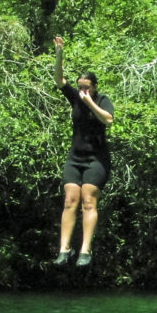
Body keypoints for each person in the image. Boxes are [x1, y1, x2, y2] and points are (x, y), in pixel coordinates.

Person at [52, 36, 113, 267]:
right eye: (80, 86)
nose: (82, 90)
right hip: (75, 158)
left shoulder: (102, 100)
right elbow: (59, 79)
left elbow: (108, 120)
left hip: (96, 160)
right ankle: (63, 249)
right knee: (70, 200)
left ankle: (85, 250)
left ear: (94, 86)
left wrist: (90, 103)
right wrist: (59, 53)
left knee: (88, 201)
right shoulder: (75, 98)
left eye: (86, 86)